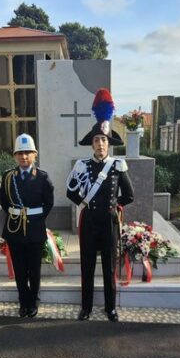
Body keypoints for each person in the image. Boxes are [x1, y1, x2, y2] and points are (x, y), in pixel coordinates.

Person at [66, 89, 134, 322]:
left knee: (108, 266)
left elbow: (130, 195)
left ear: (109, 143)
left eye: (104, 140)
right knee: (87, 266)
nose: (100, 144)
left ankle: (110, 307)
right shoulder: (81, 166)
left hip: (109, 222)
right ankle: (85, 307)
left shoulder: (118, 166)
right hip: (89, 222)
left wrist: (116, 206)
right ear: (92, 144)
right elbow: (70, 191)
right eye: (96, 140)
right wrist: (84, 203)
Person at [0, 133, 54, 318]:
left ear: (34, 155)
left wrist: (35, 218)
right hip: (15, 230)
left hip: (35, 230)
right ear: (15, 156)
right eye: (20, 153)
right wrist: (18, 217)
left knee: (34, 269)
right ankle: (23, 301)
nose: (24, 157)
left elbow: (48, 203)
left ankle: (34, 300)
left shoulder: (43, 177)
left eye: (28, 153)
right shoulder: (8, 177)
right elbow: (4, 202)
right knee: (20, 269)